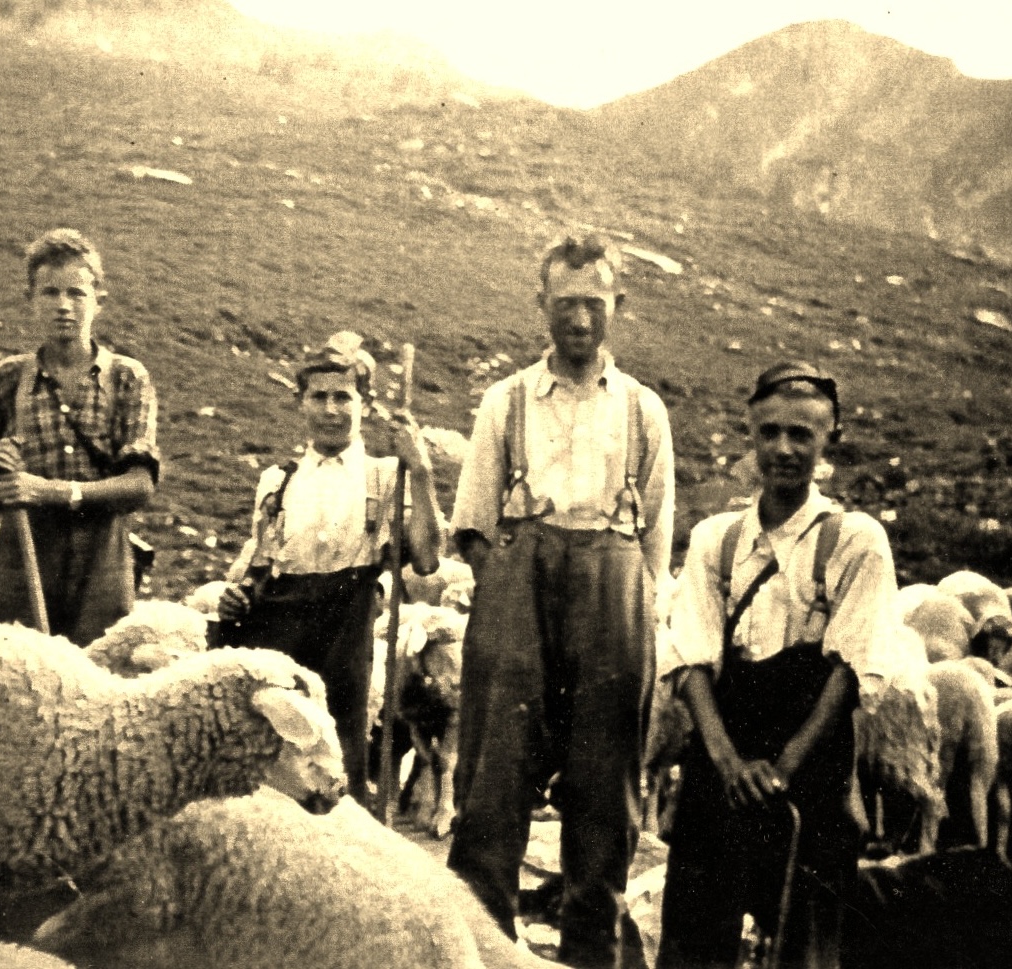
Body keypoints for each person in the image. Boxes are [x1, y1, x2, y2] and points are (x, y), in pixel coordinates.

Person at [447, 234, 674, 969]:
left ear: (618, 307)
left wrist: (619, 598)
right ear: (540, 303)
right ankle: (478, 953)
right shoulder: (504, 402)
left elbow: (654, 547)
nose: (579, 317)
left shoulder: (644, 412)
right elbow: (474, 526)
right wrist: (515, 589)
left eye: (594, 302)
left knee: (605, 799)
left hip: (612, 595)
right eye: (565, 301)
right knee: (492, 785)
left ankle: (591, 959)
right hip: (518, 597)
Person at [655, 362, 899, 969]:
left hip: (810, 762)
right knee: (694, 929)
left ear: (829, 440)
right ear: (751, 434)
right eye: (770, 434)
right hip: (723, 753)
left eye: (801, 435)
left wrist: (783, 768)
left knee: (804, 932)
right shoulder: (717, 539)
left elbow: (850, 666)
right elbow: (690, 659)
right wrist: (730, 765)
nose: (783, 449)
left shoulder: (855, 540)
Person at [215, 330, 444, 804]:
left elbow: (426, 558)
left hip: (344, 630)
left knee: (338, 759)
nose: (331, 409)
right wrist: (235, 593)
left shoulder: (386, 477)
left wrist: (420, 472)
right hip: (279, 629)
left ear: (365, 403)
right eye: (318, 397)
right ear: (301, 403)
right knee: (275, 756)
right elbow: (258, 562)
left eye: (344, 396)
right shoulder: (279, 480)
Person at [0, 228, 159, 647]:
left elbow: (140, 485)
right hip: (22, 552)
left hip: (102, 560)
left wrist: (51, 491)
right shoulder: (8, 378)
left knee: (95, 679)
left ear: (98, 300)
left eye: (76, 293)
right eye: (49, 293)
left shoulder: (127, 378)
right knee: (10, 675)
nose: (63, 306)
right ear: (30, 300)